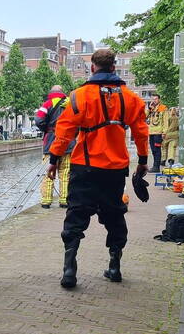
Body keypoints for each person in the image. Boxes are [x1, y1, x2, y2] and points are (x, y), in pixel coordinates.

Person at [47, 48, 149, 288]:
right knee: (115, 215)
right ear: (114, 67)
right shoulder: (131, 99)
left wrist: (54, 159)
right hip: (115, 168)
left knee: (76, 215)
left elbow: (64, 133)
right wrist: (143, 161)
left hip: (85, 166)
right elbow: (141, 133)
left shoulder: (78, 96)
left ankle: (69, 269)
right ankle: (115, 266)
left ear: (93, 67)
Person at [34, 84, 73, 209]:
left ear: (51, 93)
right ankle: (64, 200)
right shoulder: (70, 103)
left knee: (48, 172)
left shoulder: (47, 104)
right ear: (62, 92)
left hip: (50, 142)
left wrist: (47, 129)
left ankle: (46, 201)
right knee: (65, 173)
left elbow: (39, 120)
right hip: (68, 142)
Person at [146, 94, 168, 172]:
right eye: (153, 99)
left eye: (155, 99)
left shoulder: (163, 108)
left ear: (159, 99)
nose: (154, 101)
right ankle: (155, 166)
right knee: (153, 150)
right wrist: (149, 109)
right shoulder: (151, 108)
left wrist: (164, 132)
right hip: (151, 132)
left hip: (158, 133)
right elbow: (144, 116)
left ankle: (156, 167)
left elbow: (166, 121)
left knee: (157, 150)